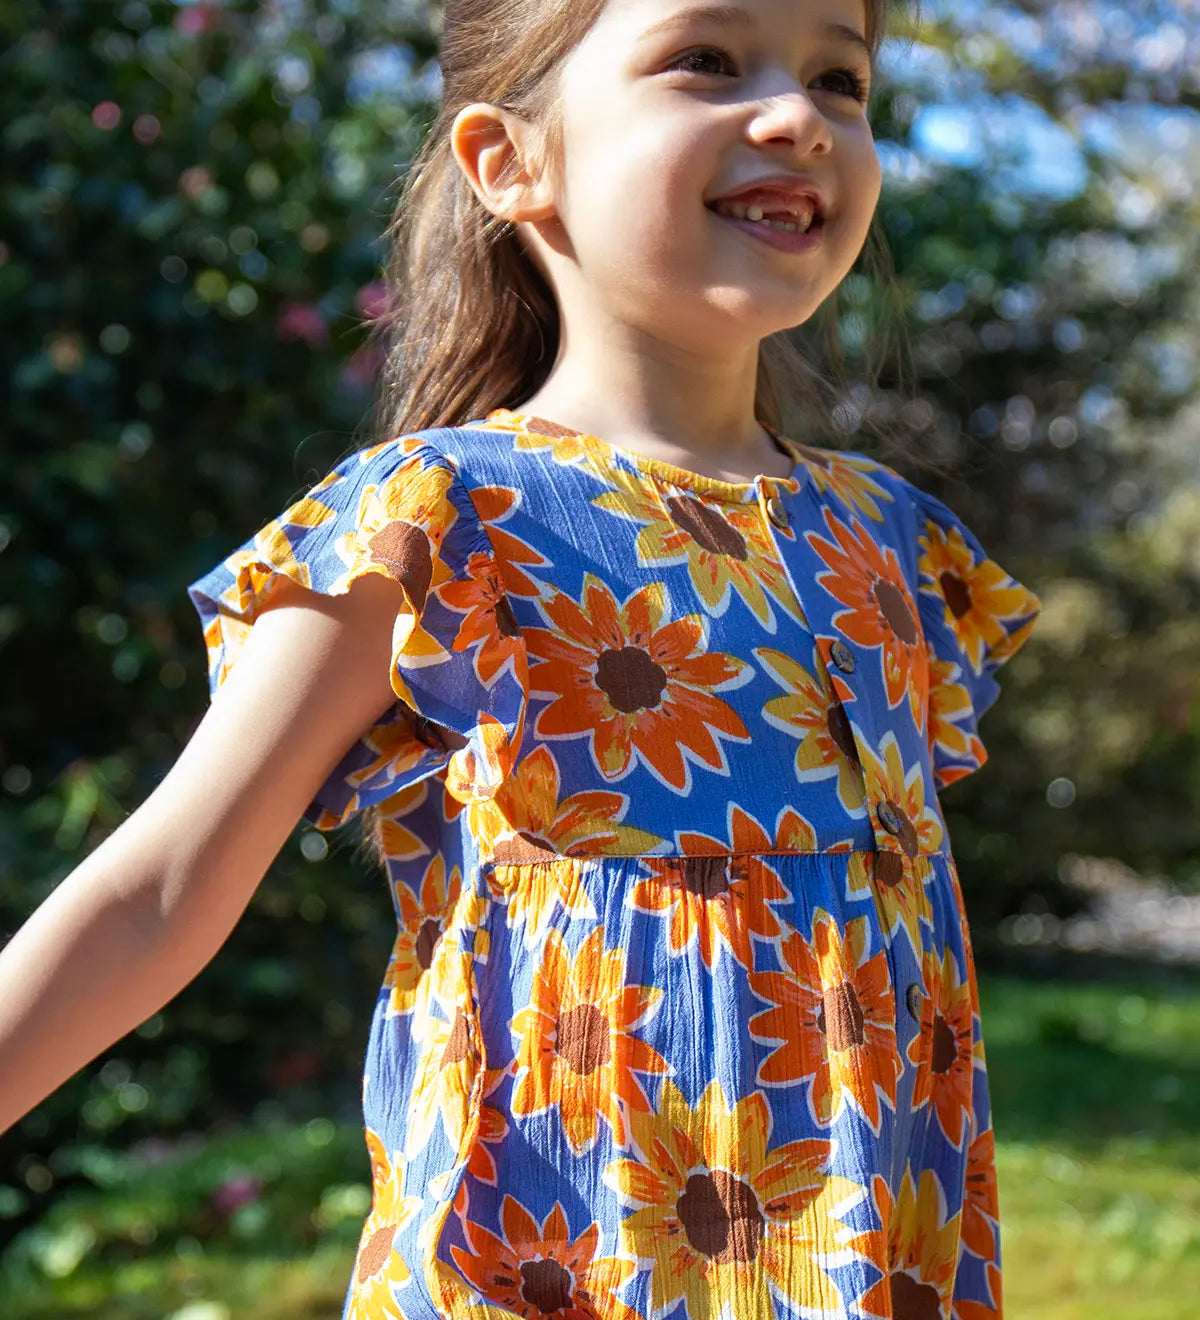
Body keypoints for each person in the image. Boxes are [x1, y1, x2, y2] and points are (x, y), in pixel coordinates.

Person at [0, 0, 1042, 1316]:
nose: (797, 117)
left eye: (841, 77)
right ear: (510, 162)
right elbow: (160, 888)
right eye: (708, 61)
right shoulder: (435, 528)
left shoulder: (889, 545)